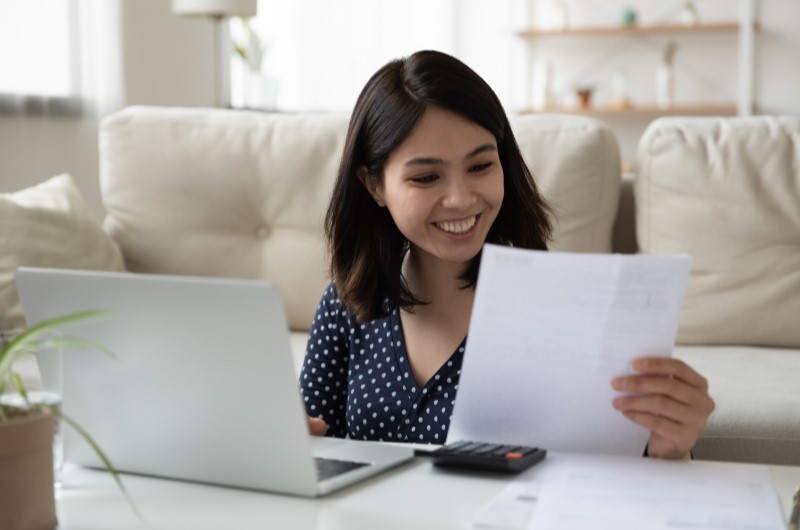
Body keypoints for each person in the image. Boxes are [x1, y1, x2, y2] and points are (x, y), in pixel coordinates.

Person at [299, 50, 714, 459]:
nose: (461, 198)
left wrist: (671, 449)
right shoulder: (347, 304)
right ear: (374, 185)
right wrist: (294, 440)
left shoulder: (564, 309)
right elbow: (314, 450)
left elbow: (623, 469)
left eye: (480, 166)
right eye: (426, 177)